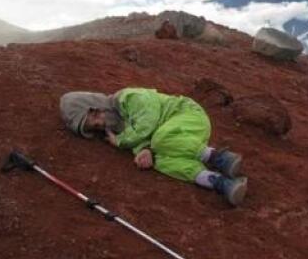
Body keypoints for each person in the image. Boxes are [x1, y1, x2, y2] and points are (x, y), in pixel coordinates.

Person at [60, 87, 247, 206]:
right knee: (159, 161)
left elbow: (147, 122)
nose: (98, 127)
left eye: (92, 123)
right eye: (92, 129)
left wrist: (121, 141)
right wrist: (144, 152)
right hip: (178, 140)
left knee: (159, 140)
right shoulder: (120, 126)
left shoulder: (128, 97)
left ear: (93, 108)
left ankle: (220, 158)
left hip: (189, 117)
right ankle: (220, 182)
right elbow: (142, 139)